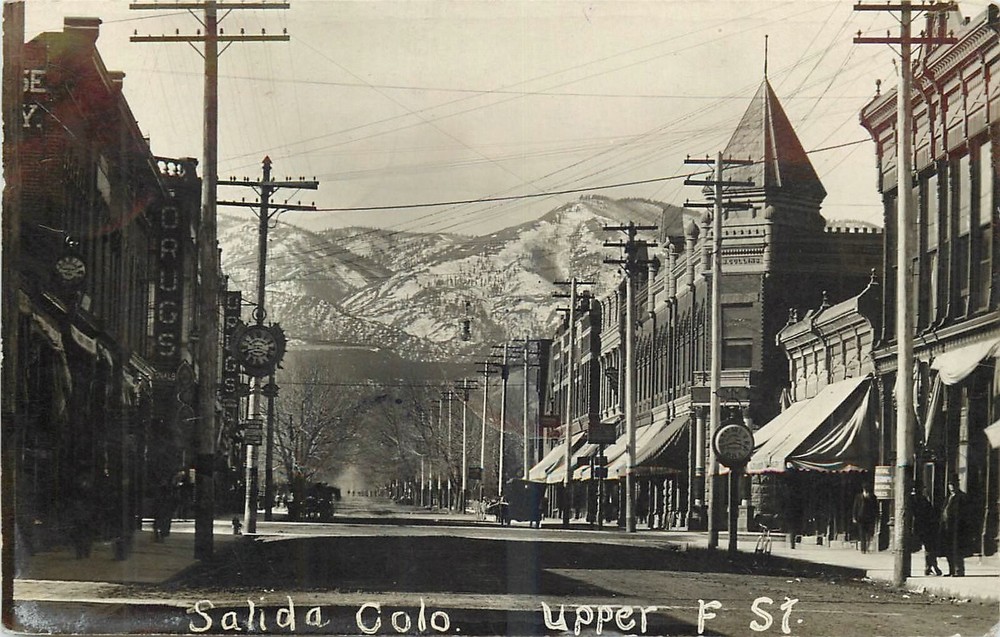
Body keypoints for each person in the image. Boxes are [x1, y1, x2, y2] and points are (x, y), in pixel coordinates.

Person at [911, 486, 942, 576]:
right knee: (929, 548)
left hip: (925, 527)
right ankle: (932, 567)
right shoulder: (914, 500)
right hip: (919, 527)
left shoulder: (923, 499)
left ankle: (929, 567)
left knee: (929, 547)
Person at [940, 478, 967, 577]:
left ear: (957, 486)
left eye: (953, 486)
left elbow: (964, 514)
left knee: (957, 550)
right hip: (947, 528)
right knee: (948, 550)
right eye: (950, 486)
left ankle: (959, 570)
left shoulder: (962, 497)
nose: (951, 489)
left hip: (957, 529)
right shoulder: (948, 497)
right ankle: (951, 570)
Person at [852, 484, 878, 553]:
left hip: (869, 518)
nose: (866, 491)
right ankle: (863, 549)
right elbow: (855, 507)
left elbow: (875, 507)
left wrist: (875, 516)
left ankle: (867, 547)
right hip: (860, 518)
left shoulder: (872, 497)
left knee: (869, 533)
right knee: (862, 534)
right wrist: (854, 517)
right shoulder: (858, 497)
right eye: (865, 489)